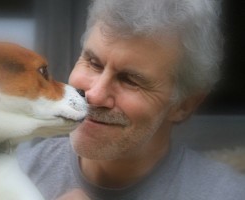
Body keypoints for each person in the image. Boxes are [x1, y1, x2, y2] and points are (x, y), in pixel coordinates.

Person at [17, 0, 245, 199]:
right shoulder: (16, 175)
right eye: (94, 63)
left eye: (130, 80)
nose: (94, 95)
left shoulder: (227, 194)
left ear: (184, 105)